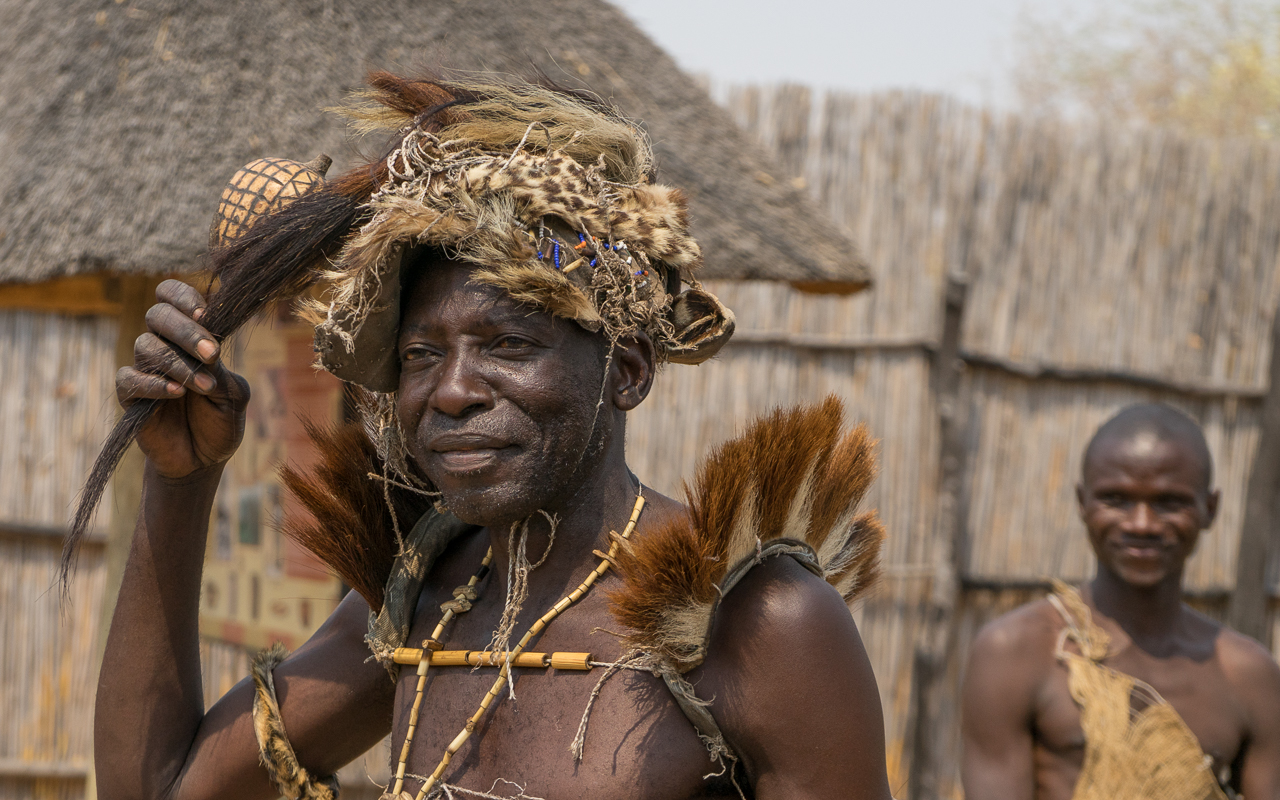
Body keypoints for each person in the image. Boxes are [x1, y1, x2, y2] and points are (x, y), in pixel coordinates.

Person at [93, 73, 893, 800]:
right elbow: (162, 788)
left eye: (508, 345)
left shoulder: (754, 623)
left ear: (628, 370)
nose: (451, 392)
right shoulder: (422, 603)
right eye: (420, 354)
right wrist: (180, 480)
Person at [961, 403, 1280, 799]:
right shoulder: (1017, 652)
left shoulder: (1249, 676)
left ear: (1209, 509)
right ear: (1082, 502)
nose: (1141, 524)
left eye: (1169, 502)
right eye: (1116, 499)